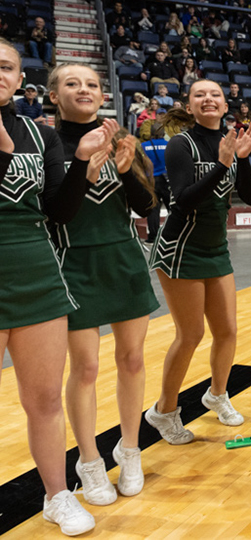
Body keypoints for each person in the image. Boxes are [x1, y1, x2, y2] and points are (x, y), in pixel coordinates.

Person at [0, 39, 117, 536]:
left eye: (6, 66)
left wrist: (83, 167)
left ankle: (56, 495)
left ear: (19, 77)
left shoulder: (39, 133)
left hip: (38, 275)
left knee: (45, 399)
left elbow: (58, 212)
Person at [48, 63, 160, 507]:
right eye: (72, 83)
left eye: (92, 84)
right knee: (87, 369)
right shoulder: (47, 144)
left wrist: (127, 169)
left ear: (102, 95)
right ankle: (89, 461)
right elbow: (57, 213)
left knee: (132, 360)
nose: (85, 89)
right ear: (54, 95)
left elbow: (145, 206)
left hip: (123, 260)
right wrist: (84, 172)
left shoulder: (122, 139)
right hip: (74, 263)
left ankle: (129, 449)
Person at [146, 79, 251, 445]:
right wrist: (223, 164)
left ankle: (217, 395)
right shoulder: (181, 144)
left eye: (215, 95)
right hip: (180, 249)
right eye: (200, 95)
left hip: (215, 248)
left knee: (227, 331)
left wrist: (242, 159)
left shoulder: (230, 142)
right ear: (190, 105)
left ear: (226, 106)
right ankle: (163, 411)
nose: (208, 99)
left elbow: (250, 197)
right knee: (191, 334)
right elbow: (182, 199)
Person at [142, 121, 169, 243]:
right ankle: (176, 233)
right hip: (166, 180)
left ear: (151, 133)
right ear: (163, 133)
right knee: (172, 208)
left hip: (151, 180)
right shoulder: (169, 145)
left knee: (153, 209)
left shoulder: (143, 146)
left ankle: (153, 236)